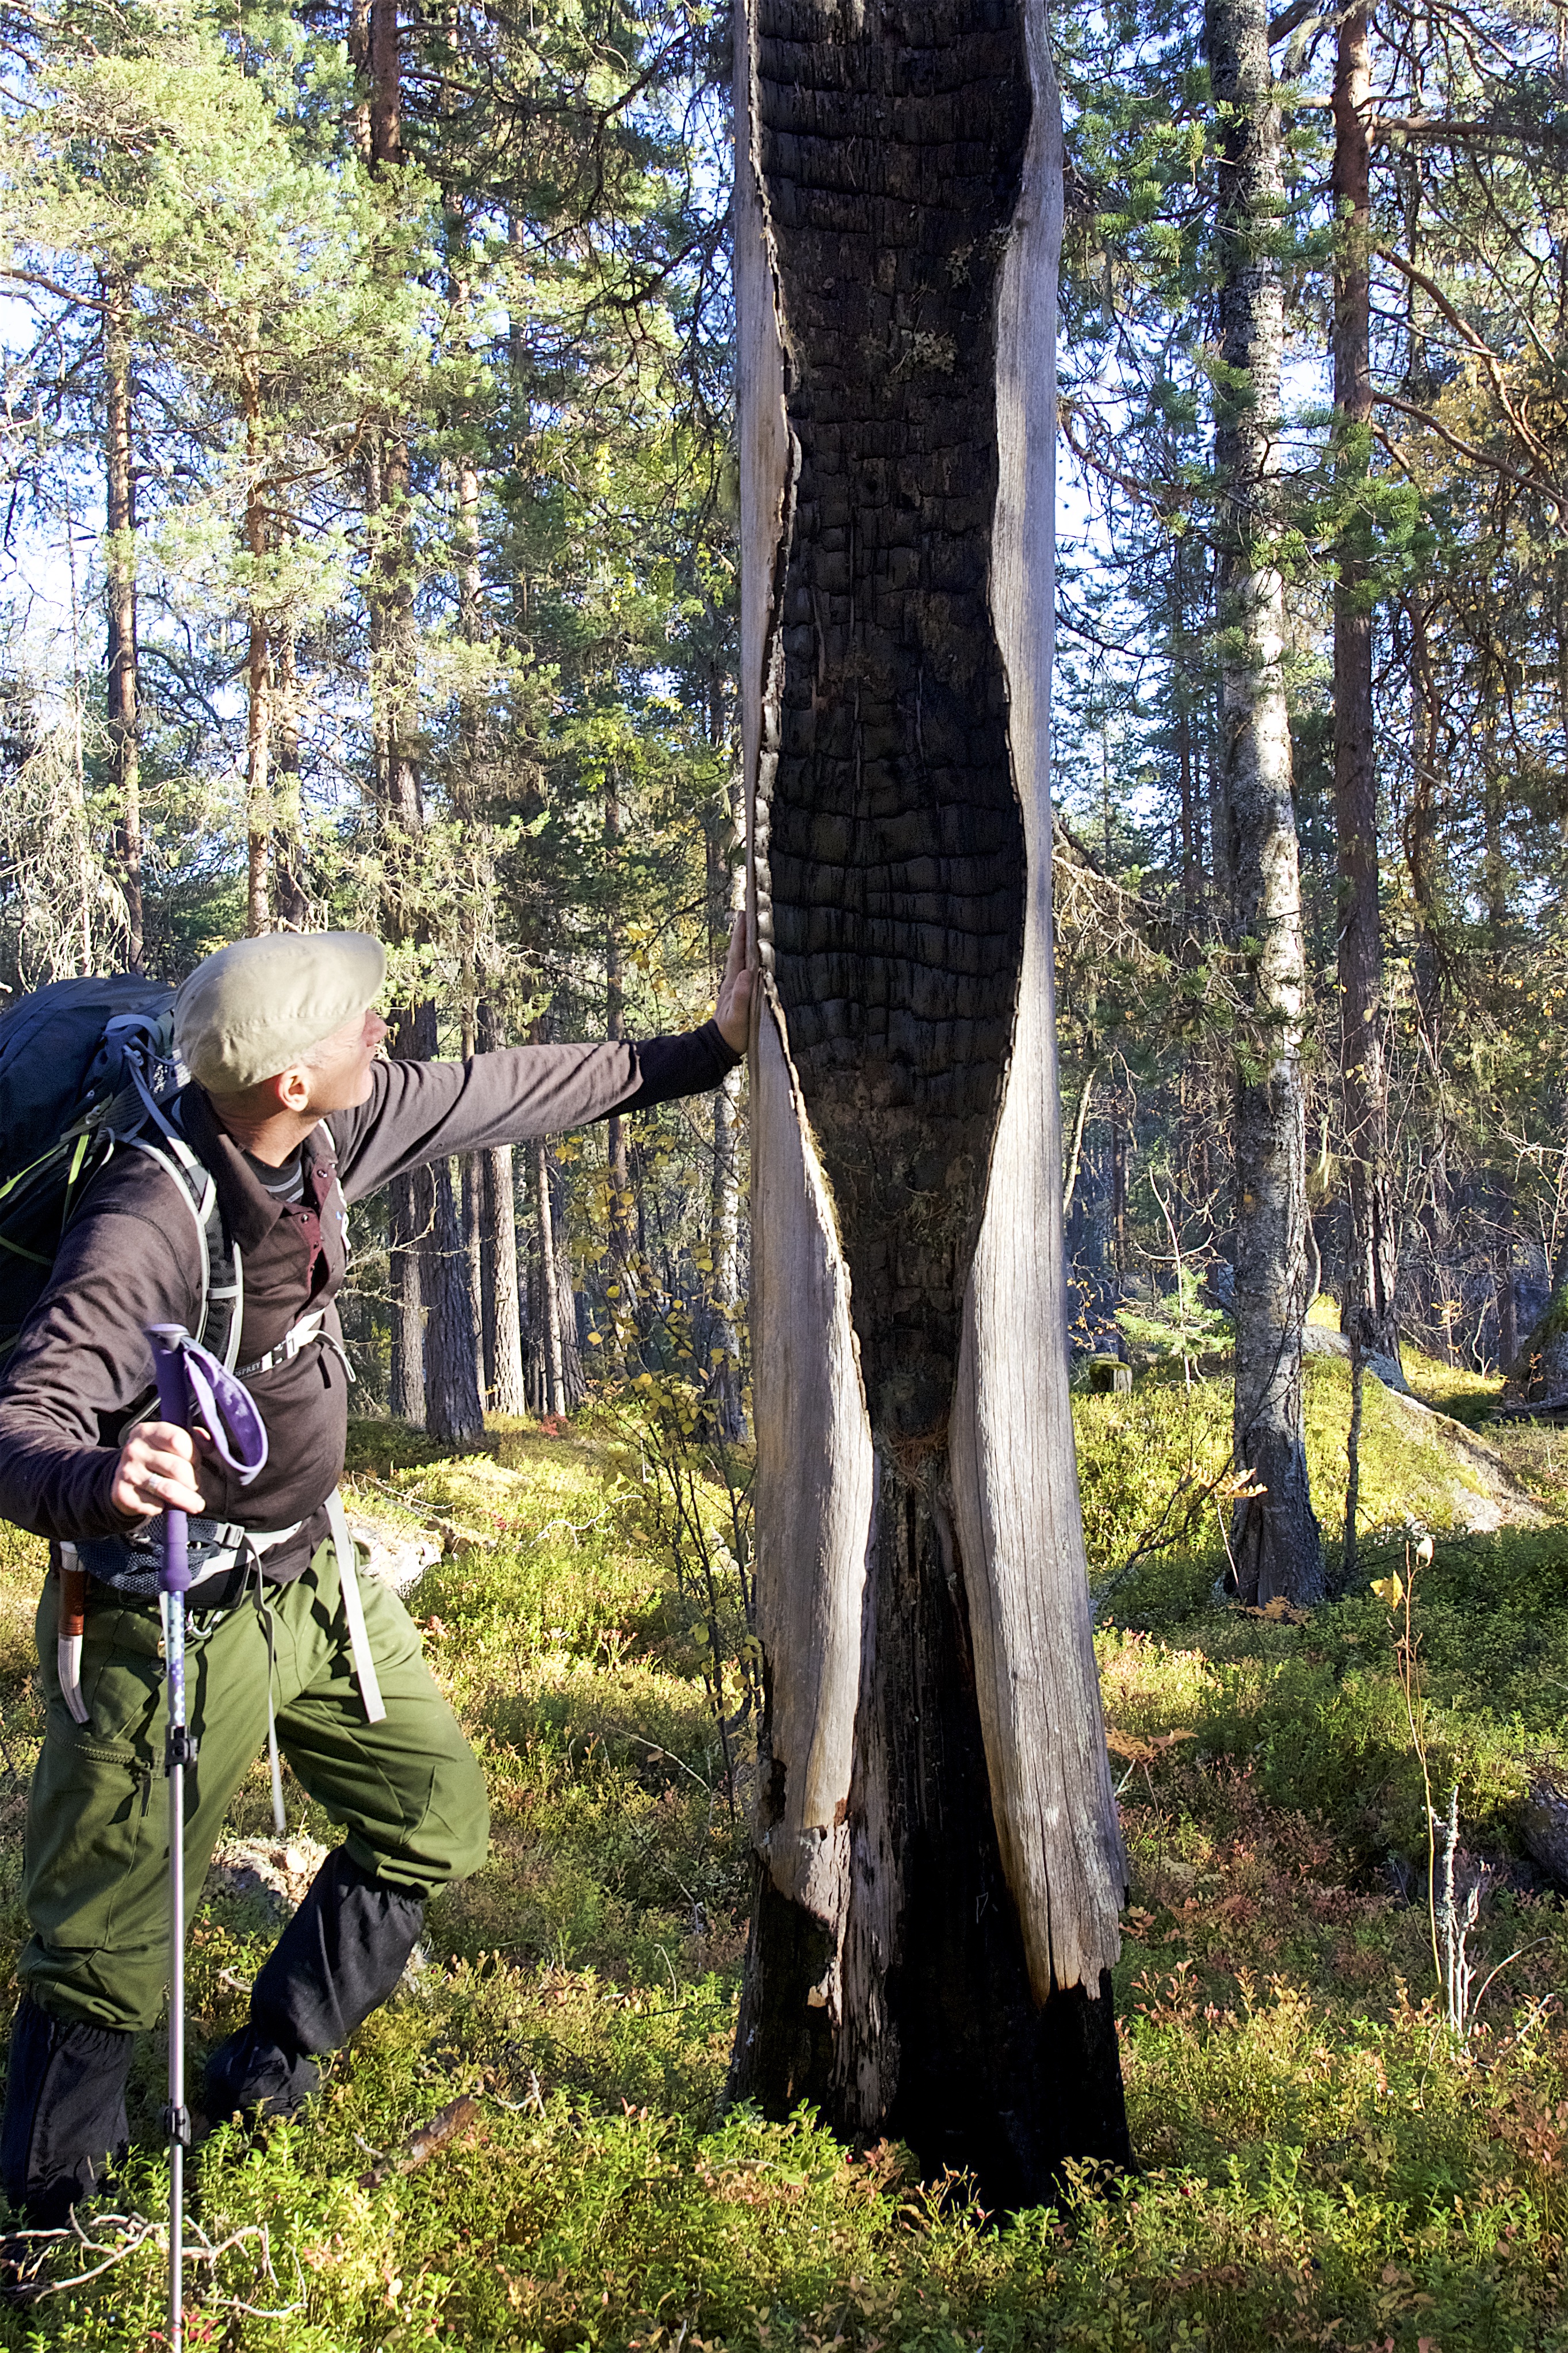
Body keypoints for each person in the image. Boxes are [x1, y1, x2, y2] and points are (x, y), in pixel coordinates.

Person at [0, 921, 752, 2234]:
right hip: (165, 1616)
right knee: (101, 1949)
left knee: (432, 1814)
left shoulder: (332, 1131)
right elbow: (27, 1414)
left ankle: (262, 2074)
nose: (383, 1039)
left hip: (313, 1583)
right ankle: (46, 2235)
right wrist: (102, 1480)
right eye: (361, 1025)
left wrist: (711, 1048)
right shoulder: (146, 1219)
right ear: (289, 1076)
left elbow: (508, 1088)